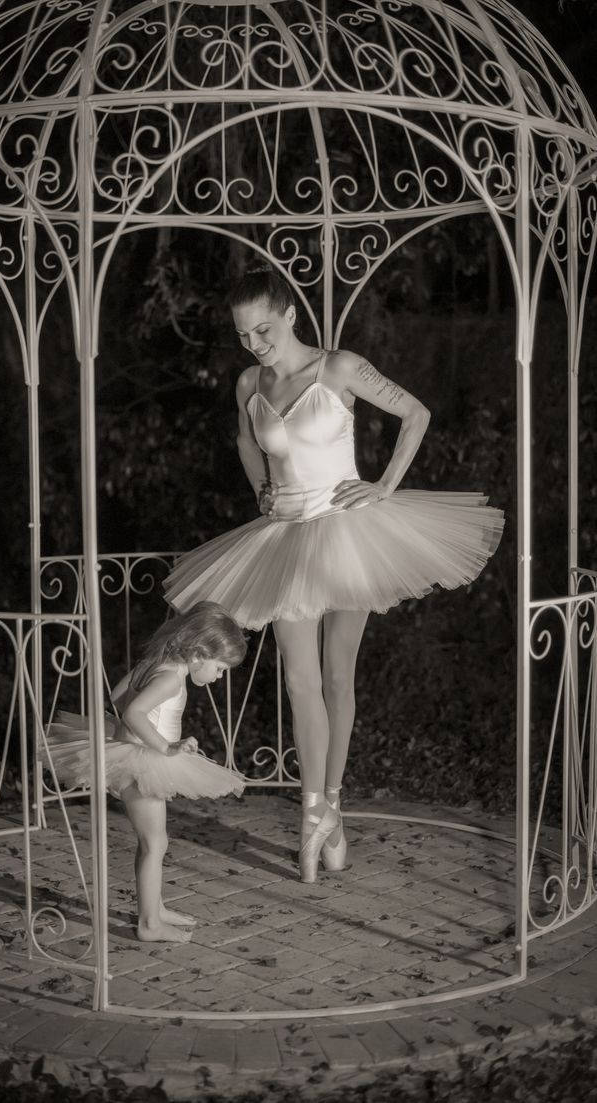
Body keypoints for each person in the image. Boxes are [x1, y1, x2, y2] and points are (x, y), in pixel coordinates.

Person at [163, 265, 504, 885]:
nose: (256, 344)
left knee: (338, 673)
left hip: (348, 532)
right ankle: (312, 815)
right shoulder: (248, 382)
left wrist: (385, 487)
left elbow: (416, 413)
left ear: (289, 312)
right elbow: (247, 442)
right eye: (244, 336)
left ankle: (333, 805)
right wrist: (261, 488)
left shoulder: (338, 367)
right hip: (285, 538)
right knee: (299, 680)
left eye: (263, 329)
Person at [45, 602, 247, 943]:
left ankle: (155, 907)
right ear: (199, 653)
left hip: (136, 757)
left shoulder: (157, 664)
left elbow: (118, 695)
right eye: (220, 668)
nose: (218, 677)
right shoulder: (171, 678)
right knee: (155, 843)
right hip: (142, 763)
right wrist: (164, 746)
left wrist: (143, 736)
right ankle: (149, 923)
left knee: (152, 841)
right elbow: (135, 712)